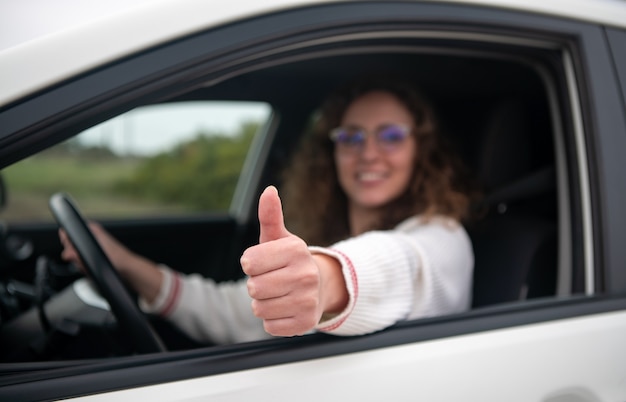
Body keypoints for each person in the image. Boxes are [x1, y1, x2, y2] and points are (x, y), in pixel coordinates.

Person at [59, 78, 475, 345]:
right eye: (351, 136)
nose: (368, 153)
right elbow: (231, 312)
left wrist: (325, 280)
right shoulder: (323, 233)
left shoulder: (444, 240)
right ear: (332, 151)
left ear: (421, 151)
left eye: (390, 136)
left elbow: (396, 266)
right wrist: (125, 264)